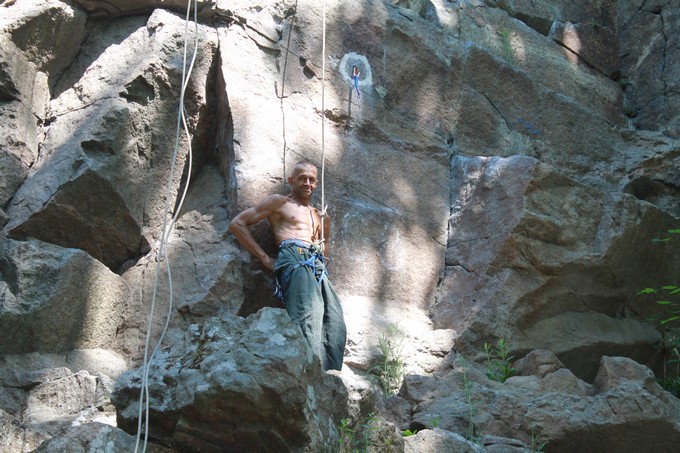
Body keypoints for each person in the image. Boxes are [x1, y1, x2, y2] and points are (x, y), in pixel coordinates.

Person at [229, 161, 346, 371]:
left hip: (317, 267)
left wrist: (324, 264)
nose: (307, 182)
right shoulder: (279, 203)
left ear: (317, 183)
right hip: (293, 258)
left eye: (311, 179)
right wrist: (265, 258)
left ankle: (329, 374)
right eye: (302, 178)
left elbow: (325, 242)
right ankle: (309, 371)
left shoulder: (321, 216)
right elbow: (237, 223)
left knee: (334, 318)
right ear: (291, 181)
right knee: (308, 313)